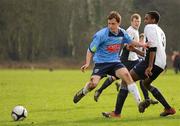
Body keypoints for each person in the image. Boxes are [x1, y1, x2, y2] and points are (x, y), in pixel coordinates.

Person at [102, 11, 176, 118]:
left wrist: (150, 66)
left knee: (125, 80)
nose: (144, 21)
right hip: (161, 63)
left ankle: (116, 113)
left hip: (152, 62)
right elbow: (153, 49)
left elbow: (153, 48)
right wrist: (136, 51)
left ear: (153, 20)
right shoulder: (160, 31)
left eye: (147, 19)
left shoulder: (149, 27)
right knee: (146, 84)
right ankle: (169, 108)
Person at [73, 11, 147, 110]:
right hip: (101, 63)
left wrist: (143, 45)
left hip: (115, 62)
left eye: (113, 24)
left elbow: (131, 41)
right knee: (93, 84)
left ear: (118, 23)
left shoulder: (122, 33)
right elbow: (90, 50)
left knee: (127, 77)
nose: (110, 26)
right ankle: (83, 92)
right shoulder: (101, 35)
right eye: (109, 23)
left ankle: (139, 103)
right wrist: (87, 63)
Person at [94, 14, 158, 105]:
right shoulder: (130, 31)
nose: (137, 23)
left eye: (139, 21)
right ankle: (100, 90)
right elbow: (128, 47)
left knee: (140, 76)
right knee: (118, 77)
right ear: (131, 22)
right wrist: (140, 52)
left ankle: (146, 99)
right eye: (135, 21)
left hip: (133, 58)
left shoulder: (135, 31)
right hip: (127, 59)